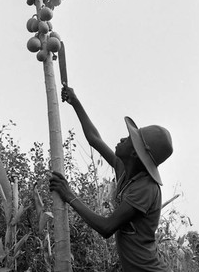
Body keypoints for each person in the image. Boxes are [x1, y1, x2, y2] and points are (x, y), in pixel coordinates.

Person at [49, 84, 173, 272]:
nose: (123, 139)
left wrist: (69, 195)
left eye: (129, 140)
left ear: (135, 154)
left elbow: (107, 227)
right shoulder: (125, 169)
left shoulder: (145, 188)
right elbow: (94, 139)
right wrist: (75, 102)